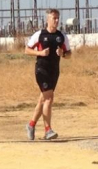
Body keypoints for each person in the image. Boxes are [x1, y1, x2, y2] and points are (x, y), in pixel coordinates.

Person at [25, 9, 72, 140]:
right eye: (53, 18)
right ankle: (48, 130)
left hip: (54, 71)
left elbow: (69, 54)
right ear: (47, 19)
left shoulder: (62, 36)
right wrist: (40, 53)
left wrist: (63, 54)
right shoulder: (39, 34)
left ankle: (31, 124)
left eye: (57, 18)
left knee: (43, 100)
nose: (56, 21)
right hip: (41, 70)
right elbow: (27, 50)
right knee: (49, 99)